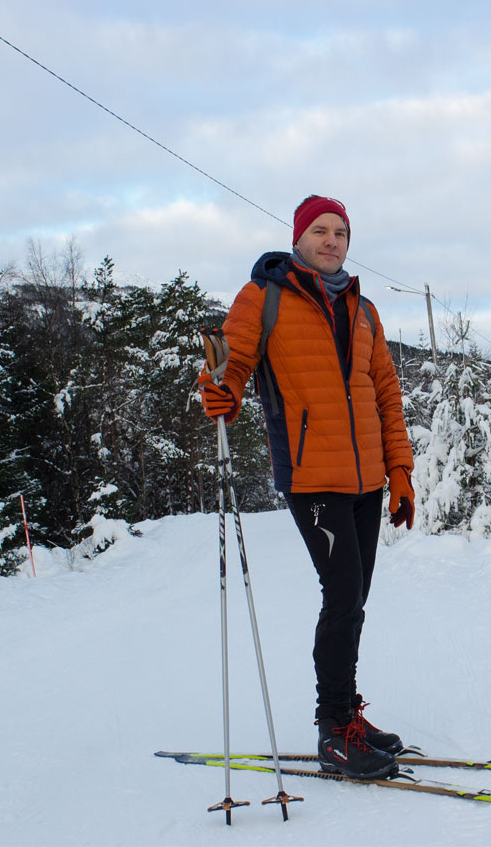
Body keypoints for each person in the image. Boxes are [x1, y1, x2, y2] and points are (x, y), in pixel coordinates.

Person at [198, 194, 416, 780]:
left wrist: (399, 473)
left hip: (368, 478)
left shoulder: (365, 311)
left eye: (341, 232)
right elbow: (231, 361)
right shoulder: (264, 298)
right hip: (312, 476)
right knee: (342, 595)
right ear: (299, 238)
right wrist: (221, 390)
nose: (331, 240)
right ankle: (334, 732)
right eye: (320, 230)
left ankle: (346, 713)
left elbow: (385, 395)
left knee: (355, 599)